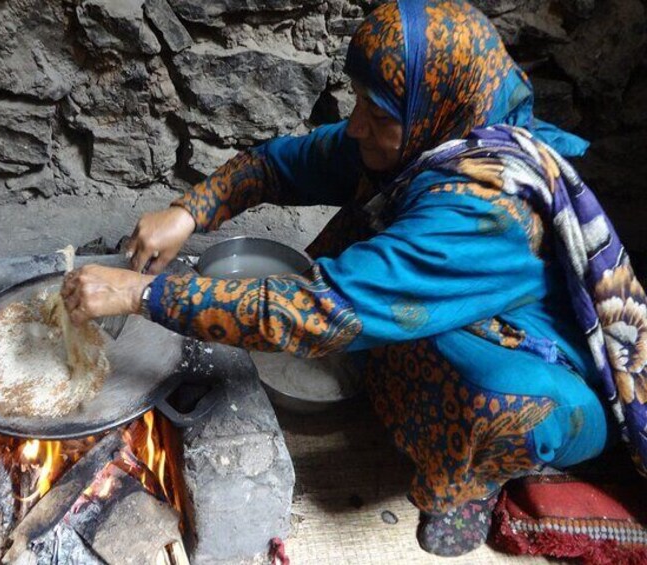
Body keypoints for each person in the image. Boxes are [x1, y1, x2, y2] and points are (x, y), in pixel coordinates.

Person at [61, 0, 647, 556]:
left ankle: (468, 489)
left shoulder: (485, 210)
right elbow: (281, 163)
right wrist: (189, 211)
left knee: (493, 402)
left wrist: (141, 294)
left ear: (431, 103)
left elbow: (323, 311)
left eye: (377, 112)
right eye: (361, 101)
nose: (357, 126)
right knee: (384, 311)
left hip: (544, 365)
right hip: (451, 301)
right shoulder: (428, 135)